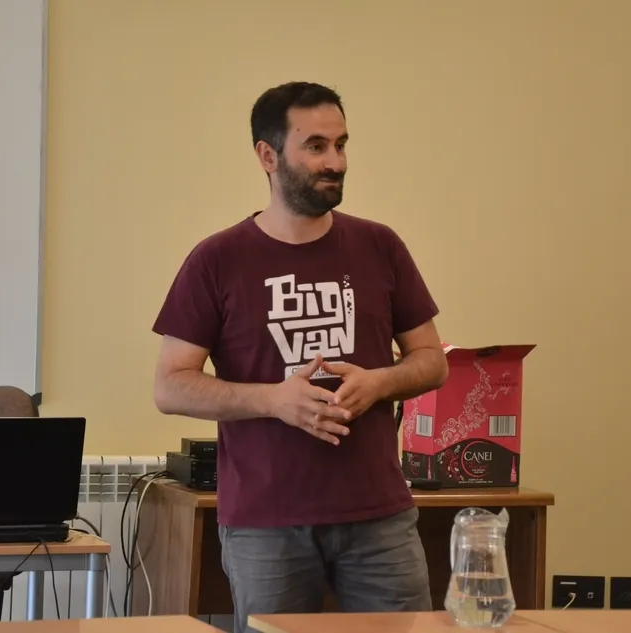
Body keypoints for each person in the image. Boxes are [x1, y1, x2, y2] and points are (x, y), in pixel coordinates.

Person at [151, 81, 449, 633]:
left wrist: (379, 383)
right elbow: (170, 385)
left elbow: (432, 360)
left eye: (341, 144)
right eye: (315, 146)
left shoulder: (380, 245)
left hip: (379, 517)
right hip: (266, 525)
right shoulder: (217, 259)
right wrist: (274, 400)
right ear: (268, 156)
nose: (335, 161)